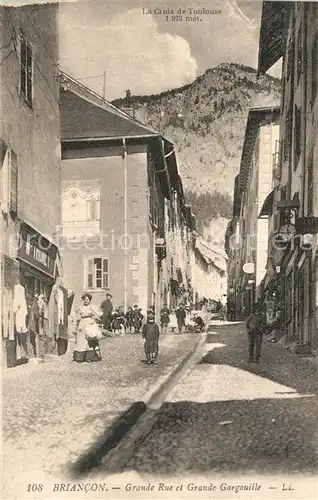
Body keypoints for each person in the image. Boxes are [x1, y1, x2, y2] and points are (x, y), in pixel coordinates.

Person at [74, 293, 102, 363]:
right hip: (82, 324)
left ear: (90, 300)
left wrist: (94, 315)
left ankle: (90, 357)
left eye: (87, 299)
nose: (86, 301)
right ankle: (80, 357)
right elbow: (77, 317)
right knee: (81, 340)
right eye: (84, 299)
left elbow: (99, 316)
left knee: (90, 340)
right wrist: (77, 325)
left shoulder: (92, 307)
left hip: (90, 324)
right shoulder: (81, 308)